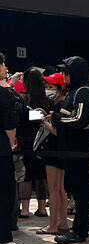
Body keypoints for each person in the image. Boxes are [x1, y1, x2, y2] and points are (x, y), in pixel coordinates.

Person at [52, 57, 89, 244]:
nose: (63, 75)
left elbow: (81, 119)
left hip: (79, 148)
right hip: (71, 148)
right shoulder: (74, 92)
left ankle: (80, 230)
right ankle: (78, 229)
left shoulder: (83, 92)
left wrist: (58, 119)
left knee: (81, 190)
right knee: (76, 189)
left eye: (67, 72)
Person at [0, 52, 28, 244]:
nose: (5, 68)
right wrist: (11, 142)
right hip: (1, 150)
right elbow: (10, 122)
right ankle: (3, 240)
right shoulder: (3, 93)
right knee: (5, 194)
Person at [17, 67, 49, 220]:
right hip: (42, 142)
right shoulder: (46, 100)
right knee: (41, 174)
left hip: (26, 141)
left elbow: (22, 118)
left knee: (27, 175)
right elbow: (43, 118)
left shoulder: (23, 99)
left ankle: (24, 210)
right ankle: (42, 208)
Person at [39, 73, 68, 235]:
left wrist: (43, 121)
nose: (47, 90)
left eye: (51, 87)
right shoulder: (65, 103)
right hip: (62, 151)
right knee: (61, 189)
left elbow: (56, 131)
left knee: (53, 189)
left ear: (59, 88)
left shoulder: (58, 106)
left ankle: (52, 225)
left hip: (53, 149)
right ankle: (62, 222)